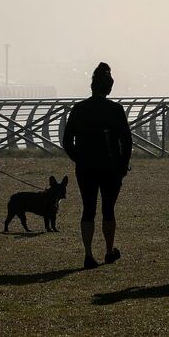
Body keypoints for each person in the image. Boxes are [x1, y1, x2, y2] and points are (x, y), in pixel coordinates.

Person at [62, 61, 132, 269]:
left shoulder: (79, 109)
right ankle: (109, 251)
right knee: (108, 209)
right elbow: (126, 141)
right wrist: (122, 164)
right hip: (110, 167)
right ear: (109, 87)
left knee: (88, 209)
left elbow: (67, 141)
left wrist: (79, 158)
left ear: (92, 86)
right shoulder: (115, 110)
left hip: (85, 167)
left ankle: (88, 254)